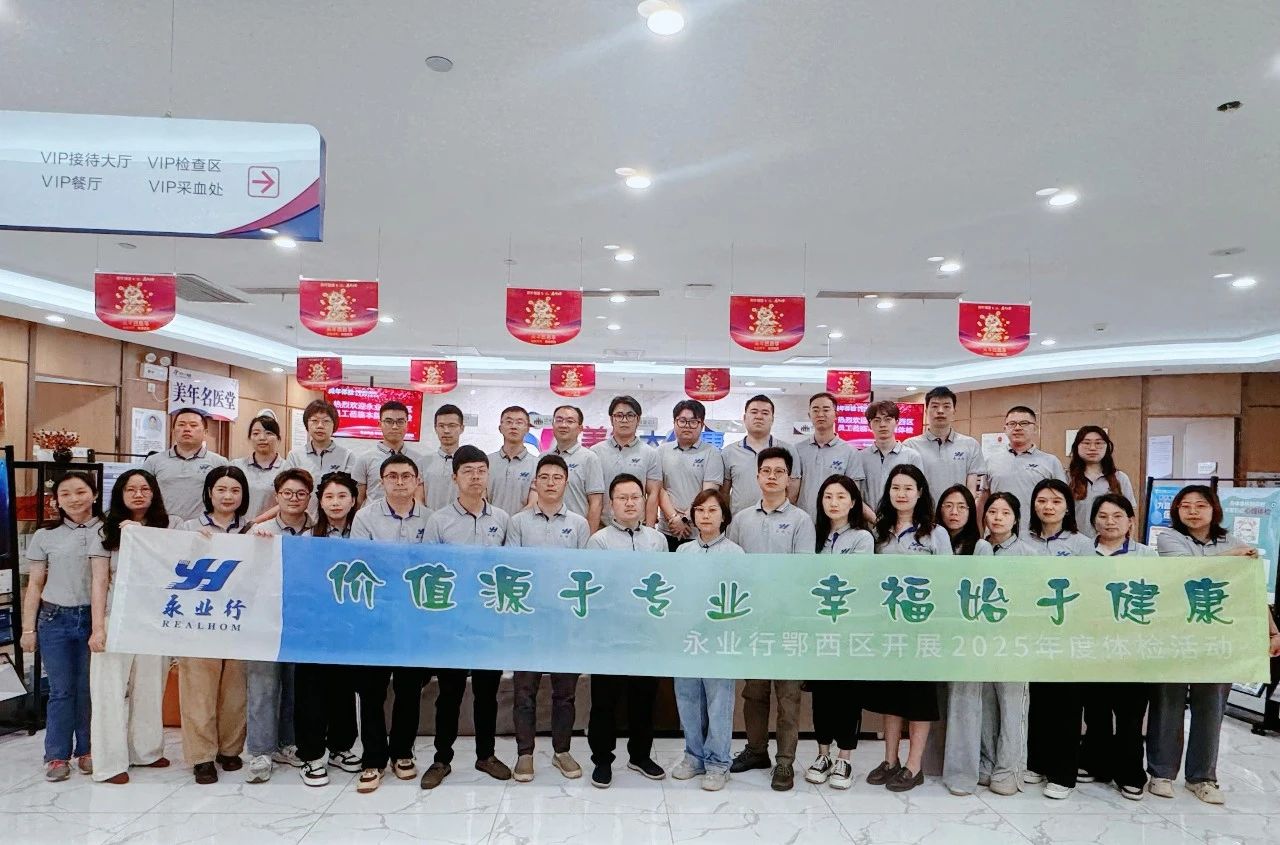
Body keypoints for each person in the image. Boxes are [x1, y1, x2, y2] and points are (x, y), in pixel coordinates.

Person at [1148, 485, 1280, 805]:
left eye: (1200, 505)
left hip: (1219, 638)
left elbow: (1250, 588)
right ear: (1176, 511)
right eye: (1185, 506)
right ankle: (1162, 773)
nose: (1193, 511)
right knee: (1168, 703)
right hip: (1176, 634)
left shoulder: (1232, 542)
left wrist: (1271, 630)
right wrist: (1233, 558)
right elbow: (1185, 570)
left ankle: (1202, 777)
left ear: (1214, 509)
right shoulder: (1169, 538)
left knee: (1211, 707)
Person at [418, 446, 513, 789]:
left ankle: (486, 755)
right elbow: (429, 570)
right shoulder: (438, 520)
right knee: (450, 693)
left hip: (488, 618)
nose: (475, 477)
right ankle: (442, 759)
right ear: (454, 477)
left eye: (481, 470)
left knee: (487, 692)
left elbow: (509, 567)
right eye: (468, 471)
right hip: (452, 619)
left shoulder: (502, 519)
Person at [727, 446, 817, 792]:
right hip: (751, 618)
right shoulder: (741, 519)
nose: (772, 477)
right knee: (754, 691)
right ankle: (756, 750)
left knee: (788, 694)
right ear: (757, 476)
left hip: (787, 619)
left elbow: (802, 572)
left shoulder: (801, 520)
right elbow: (733, 566)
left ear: (789, 479)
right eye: (766, 471)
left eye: (779, 472)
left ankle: (785, 761)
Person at [349, 453, 431, 794]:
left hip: (414, 616)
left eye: (406, 476)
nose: (399, 482)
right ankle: (373, 758)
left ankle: (402, 752)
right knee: (372, 691)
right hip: (376, 615)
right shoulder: (365, 517)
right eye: (392, 476)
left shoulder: (431, 519)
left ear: (417, 481)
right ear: (381, 482)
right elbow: (362, 562)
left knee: (409, 689)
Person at [87, 469, 175, 784]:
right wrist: (98, 627)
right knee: (109, 691)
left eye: (144, 489)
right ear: (120, 494)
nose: (138, 494)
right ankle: (109, 763)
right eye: (130, 489)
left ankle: (146, 751)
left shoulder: (169, 527)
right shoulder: (104, 530)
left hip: (154, 619)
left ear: (154, 493)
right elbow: (99, 581)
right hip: (116, 617)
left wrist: (144, 536)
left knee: (151, 687)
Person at [506, 454, 591, 784]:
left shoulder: (579, 524)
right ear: (535, 482)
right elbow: (513, 568)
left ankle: (562, 751)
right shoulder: (518, 522)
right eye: (545, 477)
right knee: (524, 691)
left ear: (566, 482)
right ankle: (524, 754)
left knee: (564, 692)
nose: (551, 482)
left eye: (557, 477)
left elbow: (583, 572)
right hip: (528, 618)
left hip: (564, 619)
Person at [866, 464, 950, 793]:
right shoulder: (879, 532)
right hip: (888, 627)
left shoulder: (935, 533)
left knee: (918, 698)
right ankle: (890, 760)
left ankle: (914, 766)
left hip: (922, 629)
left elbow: (946, 580)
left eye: (908, 488)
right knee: (891, 696)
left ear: (920, 493)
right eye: (895, 488)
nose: (901, 494)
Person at [941, 491, 1031, 797]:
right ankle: (988, 762)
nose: (998, 518)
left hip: (1014, 639)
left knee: (1012, 703)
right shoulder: (980, 547)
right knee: (987, 704)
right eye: (992, 512)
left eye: (1005, 513)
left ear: (1016, 519)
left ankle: (1010, 769)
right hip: (981, 638)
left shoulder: (1026, 552)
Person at [585, 473, 668, 788]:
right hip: (609, 633)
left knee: (643, 697)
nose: (630, 503)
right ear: (611, 504)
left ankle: (640, 755)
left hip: (647, 633)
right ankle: (602, 760)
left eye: (635, 497)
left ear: (644, 500)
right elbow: (596, 586)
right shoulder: (599, 541)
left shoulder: (657, 540)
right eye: (622, 498)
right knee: (604, 700)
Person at [20, 471, 102, 782]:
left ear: (94, 494)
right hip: (55, 619)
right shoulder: (45, 536)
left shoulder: (108, 530)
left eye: (80, 492)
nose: (74, 499)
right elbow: (35, 585)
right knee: (61, 690)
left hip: (94, 619)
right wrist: (28, 629)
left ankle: (88, 750)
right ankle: (57, 755)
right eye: (65, 494)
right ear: (56, 501)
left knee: (88, 689)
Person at [176, 466, 253, 784]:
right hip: (200, 620)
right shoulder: (188, 527)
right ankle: (202, 757)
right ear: (209, 492)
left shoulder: (251, 528)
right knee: (198, 689)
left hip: (238, 619)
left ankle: (230, 749)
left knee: (235, 689)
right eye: (221, 489)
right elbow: (172, 564)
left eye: (235, 490)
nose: (228, 496)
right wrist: (191, 546)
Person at [1076, 493, 1156, 801]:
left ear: (1130, 521)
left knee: (1130, 714)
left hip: (1132, 647)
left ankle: (1130, 773)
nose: (1110, 522)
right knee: (1095, 710)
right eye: (1103, 516)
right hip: (1092, 644)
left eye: (1117, 516)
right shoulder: (1081, 554)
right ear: (1093, 521)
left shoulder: (1147, 556)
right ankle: (1095, 762)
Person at [241, 469, 315, 783]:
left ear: (309, 497)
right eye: (288, 493)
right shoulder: (260, 531)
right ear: (277, 496)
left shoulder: (318, 530)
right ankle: (260, 751)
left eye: (301, 494)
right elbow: (243, 574)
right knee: (262, 684)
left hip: (302, 620)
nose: (294, 499)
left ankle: (288, 743)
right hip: (264, 618)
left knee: (295, 685)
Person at [1022, 477, 1094, 800]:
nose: (1048, 507)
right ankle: (1036, 762)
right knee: (1038, 699)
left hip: (1068, 633)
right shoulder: (1022, 540)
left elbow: (1090, 586)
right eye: (1041, 501)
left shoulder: (1081, 544)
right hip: (1033, 631)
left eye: (1055, 501)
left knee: (1066, 702)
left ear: (1067, 508)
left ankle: (1063, 774)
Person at [292, 471, 363, 787]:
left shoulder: (362, 535)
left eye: (342, 496)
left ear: (353, 500)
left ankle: (341, 747)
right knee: (311, 690)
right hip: (315, 627)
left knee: (343, 689)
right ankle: (310, 754)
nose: (336, 503)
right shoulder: (307, 538)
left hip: (350, 626)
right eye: (329, 497)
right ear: (320, 502)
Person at [804, 475, 873, 791]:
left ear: (854, 502)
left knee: (848, 692)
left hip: (849, 627)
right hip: (818, 627)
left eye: (841, 496)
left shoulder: (862, 537)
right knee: (822, 693)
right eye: (828, 496)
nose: (834, 502)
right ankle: (823, 754)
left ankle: (845, 757)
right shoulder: (813, 535)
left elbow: (856, 578)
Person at [671, 489, 743, 792]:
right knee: (688, 698)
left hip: (719, 638)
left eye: (712, 510)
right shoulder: (682, 552)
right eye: (700, 510)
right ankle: (694, 756)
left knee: (719, 701)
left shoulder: (735, 554)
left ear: (724, 516)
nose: (705, 516)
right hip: (687, 637)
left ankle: (718, 763)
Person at [985, 406, 1066, 535]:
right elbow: (984, 498)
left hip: (1038, 534)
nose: (1017, 428)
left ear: (1035, 428)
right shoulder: (991, 461)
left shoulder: (1050, 462)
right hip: (998, 534)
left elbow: (1062, 500)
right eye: (1012, 423)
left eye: (1024, 423)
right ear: (1005, 429)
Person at [657, 399, 724, 551]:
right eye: (682, 421)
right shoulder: (661, 451)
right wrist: (674, 518)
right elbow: (659, 489)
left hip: (699, 532)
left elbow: (708, 493)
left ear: (702, 424)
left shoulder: (712, 453)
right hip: (667, 529)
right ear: (674, 422)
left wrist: (685, 519)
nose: (687, 426)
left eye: (693, 422)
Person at [141, 407, 228, 521]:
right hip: (162, 526)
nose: (187, 429)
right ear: (173, 431)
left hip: (203, 528)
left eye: (193, 425)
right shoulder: (153, 461)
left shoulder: (219, 462)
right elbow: (142, 494)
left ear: (205, 432)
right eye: (181, 425)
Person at [720, 394, 799, 517]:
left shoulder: (788, 450)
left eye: (765, 413)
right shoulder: (729, 452)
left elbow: (793, 490)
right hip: (739, 522)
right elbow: (724, 493)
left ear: (772, 419)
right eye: (754, 412)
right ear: (745, 418)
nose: (759, 417)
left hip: (777, 521)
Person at [905, 387, 985, 507]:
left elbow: (971, 490)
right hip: (922, 513)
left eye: (946, 406)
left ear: (954, 412)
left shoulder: (970, 445)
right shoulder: (910, 446)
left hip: (957, 513)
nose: (940, 411)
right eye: (935, 406)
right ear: (926, 411)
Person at [591, 395, 662, 528]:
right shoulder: (595, 452)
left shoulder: (650, 453)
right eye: (619, 415)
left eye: (630, 415)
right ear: (611, 419)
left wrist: (650, 529)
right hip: (603, 526)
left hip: (637, 527)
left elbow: (653, 494)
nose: (624, 420)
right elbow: (592, 496)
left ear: (638, 419)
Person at [793, 392, 863, 521]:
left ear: (836, 414)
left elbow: (854, 493)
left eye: (826, 410)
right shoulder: (797, 450)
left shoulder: (850, 452)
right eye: (815, 410)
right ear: (809, 415)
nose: (820, 414)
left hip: (836, 522)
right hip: (803, 521)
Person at [285, 399, 354, 515]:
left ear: (334, 425)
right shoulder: (295, 456)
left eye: (326, 421)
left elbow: (349, 492)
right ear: (307, 424)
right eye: (314, 421)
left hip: (335, 518)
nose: (320, 426)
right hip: (302, 518)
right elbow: (289, 490)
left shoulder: (347, 456)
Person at [543, 404, 606, 531]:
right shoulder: (542, 458)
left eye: (570, 421)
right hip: (545, 530)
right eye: (559, 420)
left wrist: (589, 536)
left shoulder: (589, 458)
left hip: (576, 531)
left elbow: (596, 503)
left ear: (580, 428)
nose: (563, 425)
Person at [1067, 426, 1135, 538]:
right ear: (1076, 447)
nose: (1092, 448)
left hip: (1111, 543)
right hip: (1075, 543)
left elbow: (1130, 516)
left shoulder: (1120, 478)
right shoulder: (1066, 477)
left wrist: (1129, 544)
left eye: (1098, 443)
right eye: (1086, 443)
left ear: (1107, 447)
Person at [353, 400, 424, 506]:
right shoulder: (365, 459)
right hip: (373, 515)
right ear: (379, 424)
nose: (395, 427)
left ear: (407, 425)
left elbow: (419, 497)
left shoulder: (419, 459)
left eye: (400, 421)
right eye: (389, 421)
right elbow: (358, 500)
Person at [858, 399, 923, 514]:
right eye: (877, 420)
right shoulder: (860, 457)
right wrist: (873, 519)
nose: (882, 424)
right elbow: (855, 494)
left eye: (888, 419)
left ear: (897, 422)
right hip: (867, 521)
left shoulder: (912, 456)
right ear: (869, 424)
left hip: (901, 520)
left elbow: (917, 493)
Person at [232, 412, 286, 520]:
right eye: (256, 433)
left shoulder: (287, 468)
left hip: (273, 528)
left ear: (278, 438)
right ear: (249, 438)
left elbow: (287, 502)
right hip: (239, 527)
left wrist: (256, 522)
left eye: (269, 433)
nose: (262, 438)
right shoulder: (236, 466)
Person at [487, 405, 536, 515]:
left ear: (527, 429)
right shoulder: (486, 462)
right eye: (509, 422)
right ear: (500, 428)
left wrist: (514, 522)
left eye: (519, 422)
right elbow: (480, 498)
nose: (513, 426)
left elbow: (534, 503)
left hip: (523, 524)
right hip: (490, 523)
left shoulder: (537, 465)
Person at [422, 403, 466, 510]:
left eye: (452, 425)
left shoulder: (469, 463)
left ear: (462, 428)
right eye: (441, 426)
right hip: (430, 518)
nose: (446, 431)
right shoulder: (423, 462)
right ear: (435, 428)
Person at [937, 484, 992, 556]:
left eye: (961, 507)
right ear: (940, 509)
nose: (954, 512)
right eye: (948, 506)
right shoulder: (930, 542)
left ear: (970, 511)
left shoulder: (981, 547)